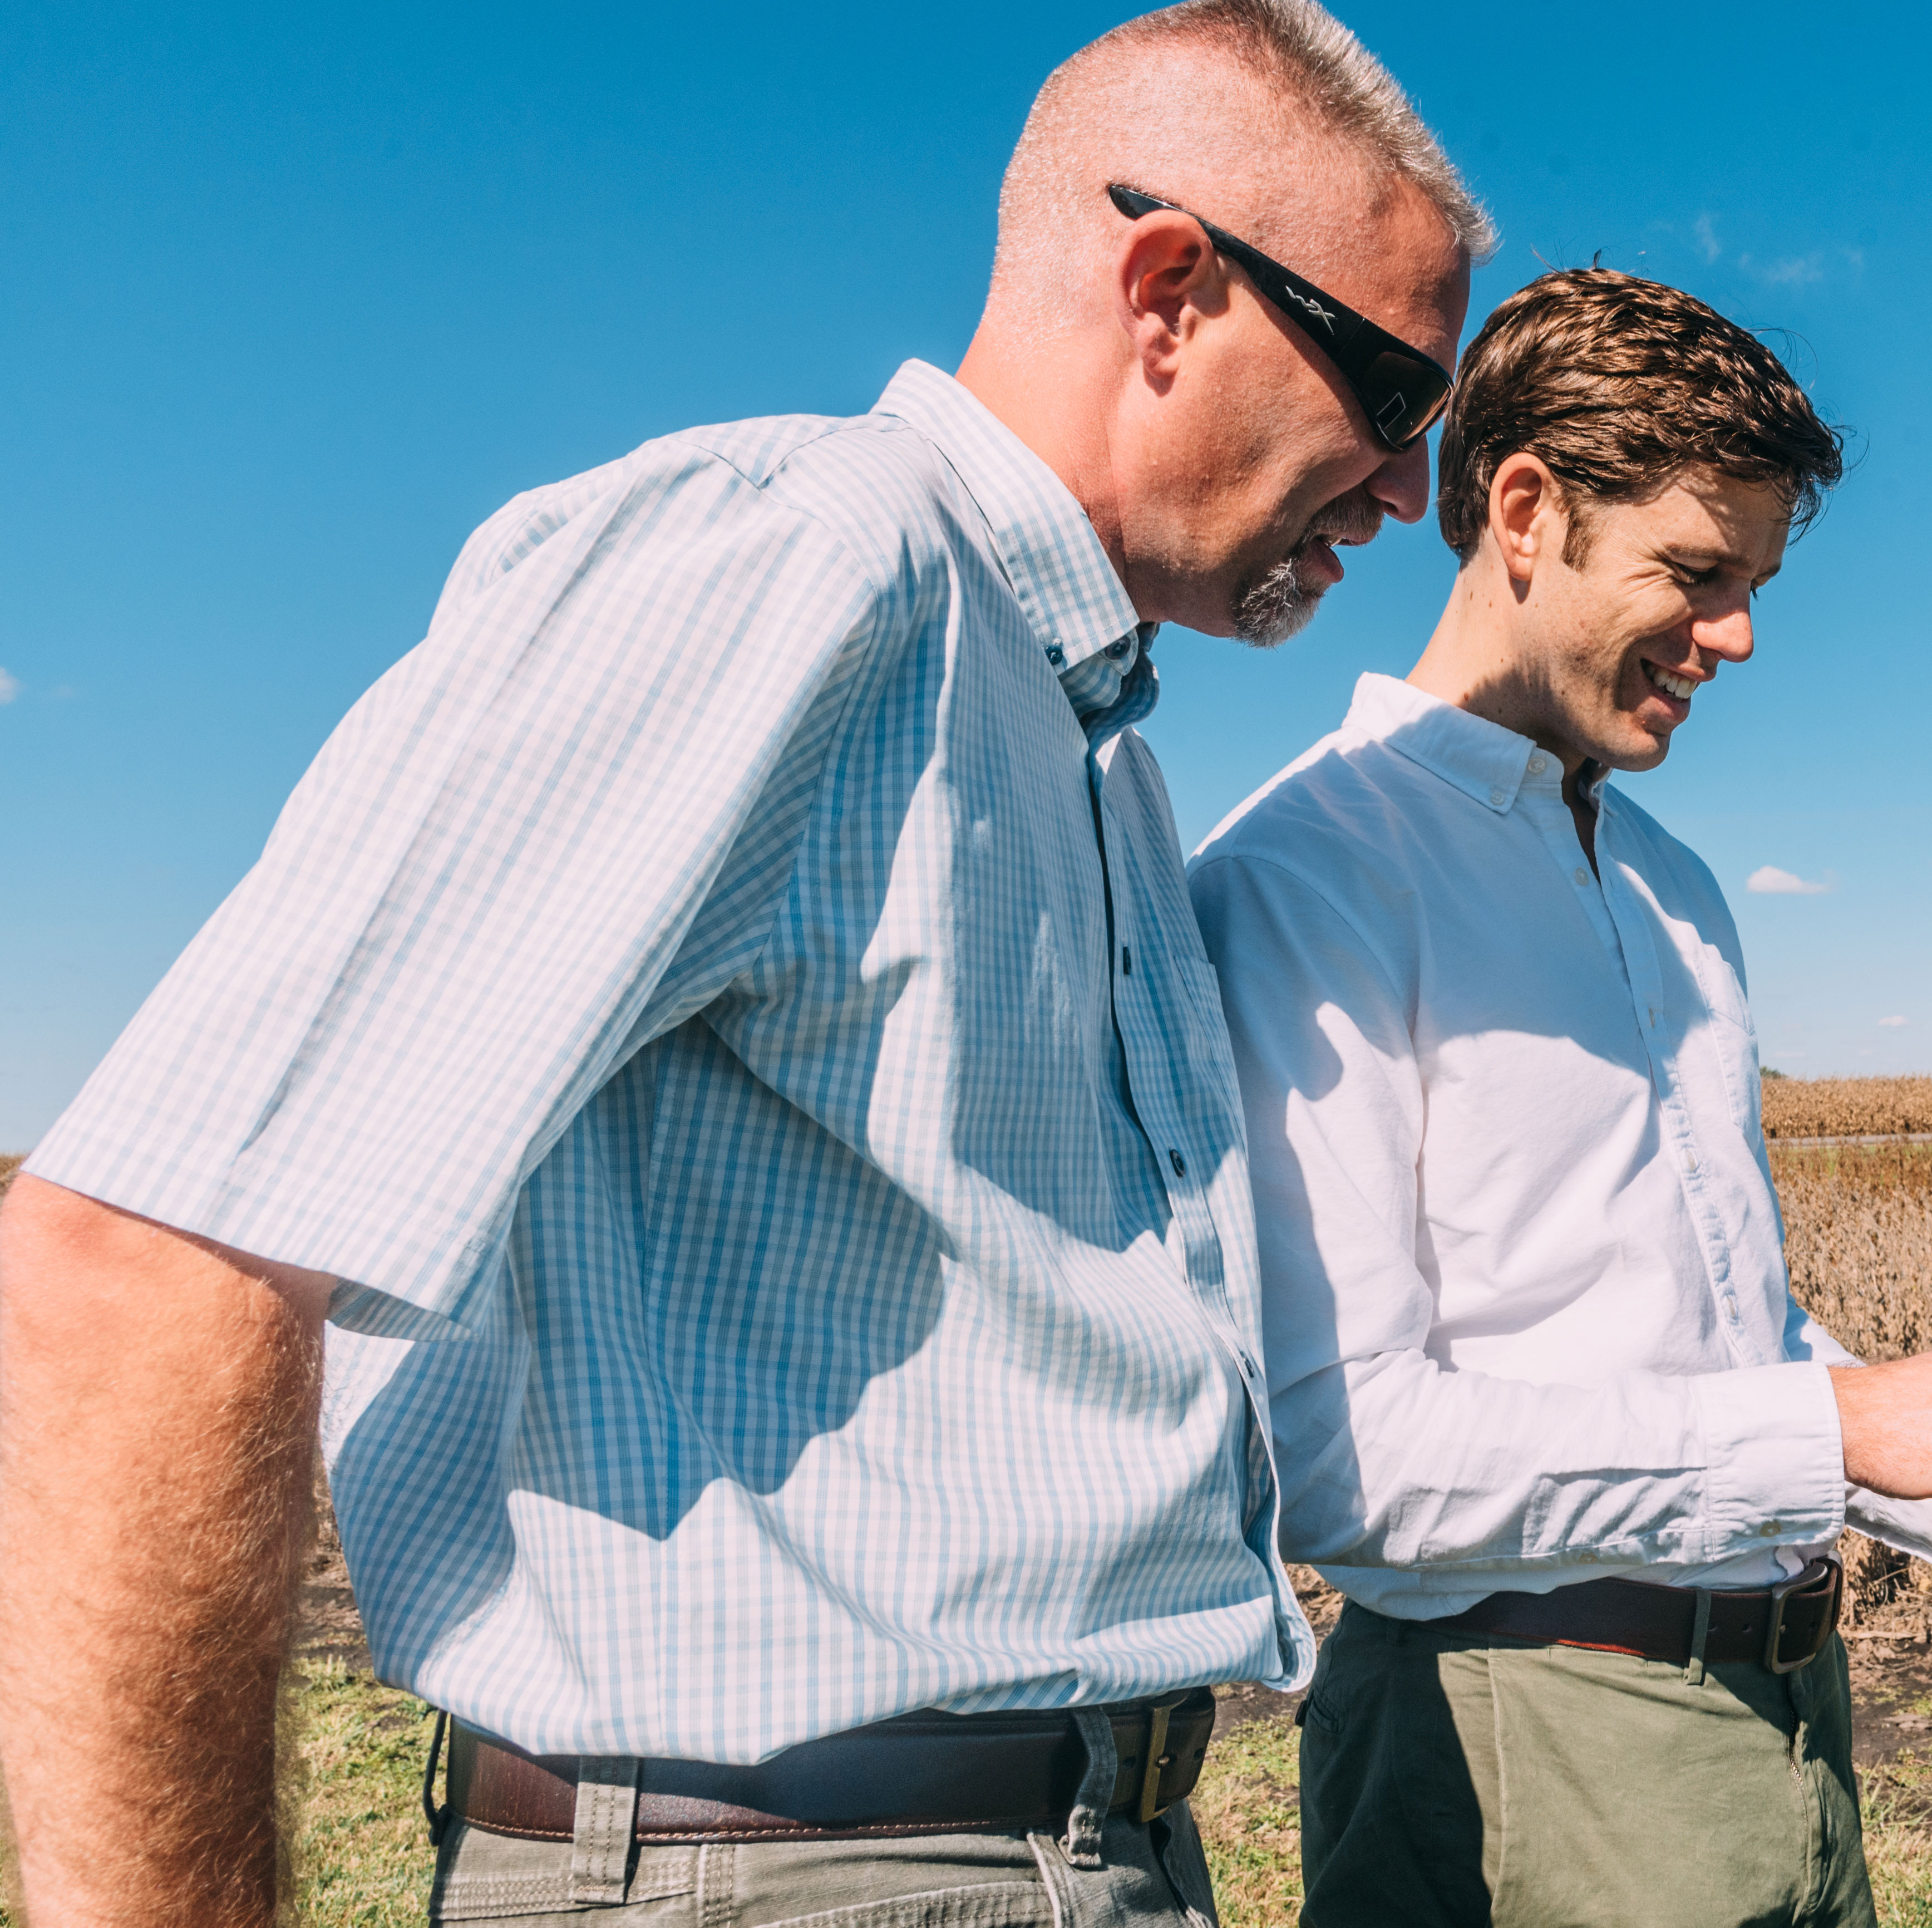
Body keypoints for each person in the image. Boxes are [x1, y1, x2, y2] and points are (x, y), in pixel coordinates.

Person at [0, 4, 1491, 1922]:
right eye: (1391, 396)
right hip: (803, 1873)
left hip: (1043, 1851)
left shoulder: (1082, 731)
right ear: (1170, 286)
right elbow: (143, 1259)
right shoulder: (804, 568)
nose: (1399, 490)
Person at [1186, 268, 1932, 1928]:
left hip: (1786, 1720)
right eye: (1696, 574)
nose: (1739, 638)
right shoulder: (1303, 877)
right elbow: (1343, 1460)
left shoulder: (1677, 886)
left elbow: (1722, 1336)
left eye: (1757, 584)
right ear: (1523, 509)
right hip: (1511, 1748)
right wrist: (1835, 1430)